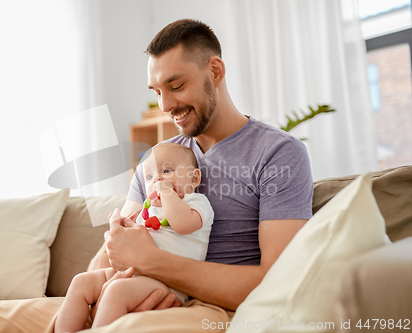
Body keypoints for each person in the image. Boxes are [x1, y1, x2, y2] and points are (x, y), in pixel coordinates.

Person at [87, 18, 313, 330]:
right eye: (157, 91)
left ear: (215, 71)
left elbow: (278, 283)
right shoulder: (158, 161)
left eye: (176, 86)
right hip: (130, 300)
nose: (165, 105)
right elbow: (108, 257)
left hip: (215, 311)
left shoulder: (277, 153)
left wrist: (154, 264)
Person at [54, 143, 214, 333]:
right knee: (81, 281)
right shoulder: (148, 210)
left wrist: (166, 192)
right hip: (133, 273)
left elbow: (181, 224)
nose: (157, 179)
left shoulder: (196, 203)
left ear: (194, 178)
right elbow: (128, 244)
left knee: (116, 291)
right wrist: (120, 226)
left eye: (167, 170)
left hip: (168, 284)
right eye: (149, 177)